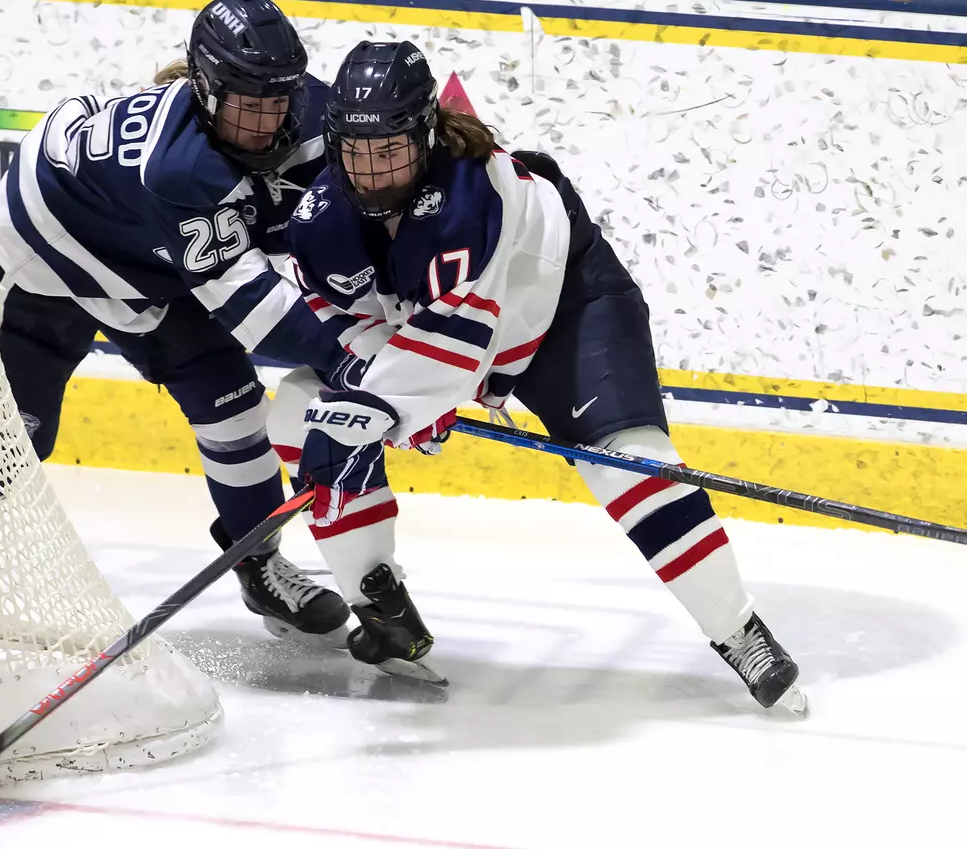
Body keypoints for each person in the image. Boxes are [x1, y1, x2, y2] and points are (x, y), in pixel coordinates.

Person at [270, 39, 807, 714]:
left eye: (391, 151)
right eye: (357, 152)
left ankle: (741, 632)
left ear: (426, 135)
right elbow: (345, 325)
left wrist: (392, 401)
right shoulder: (320, 223)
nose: (372, 173)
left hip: (566, 307)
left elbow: (460, 342)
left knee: (632, 466)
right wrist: (368, 393)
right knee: (298, 412)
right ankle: (380, 607)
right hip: (442, 342)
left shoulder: (472, 198)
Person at [0, 0, 361, 648]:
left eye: (276, 101)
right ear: (204, 89)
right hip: (40, 262)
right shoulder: (182, 169)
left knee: (231, 402)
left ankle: (258, 564)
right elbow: (262, 315)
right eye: (246, 105)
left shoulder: (302, 105)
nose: (264, 121)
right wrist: (356, 362)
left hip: (146, 257)